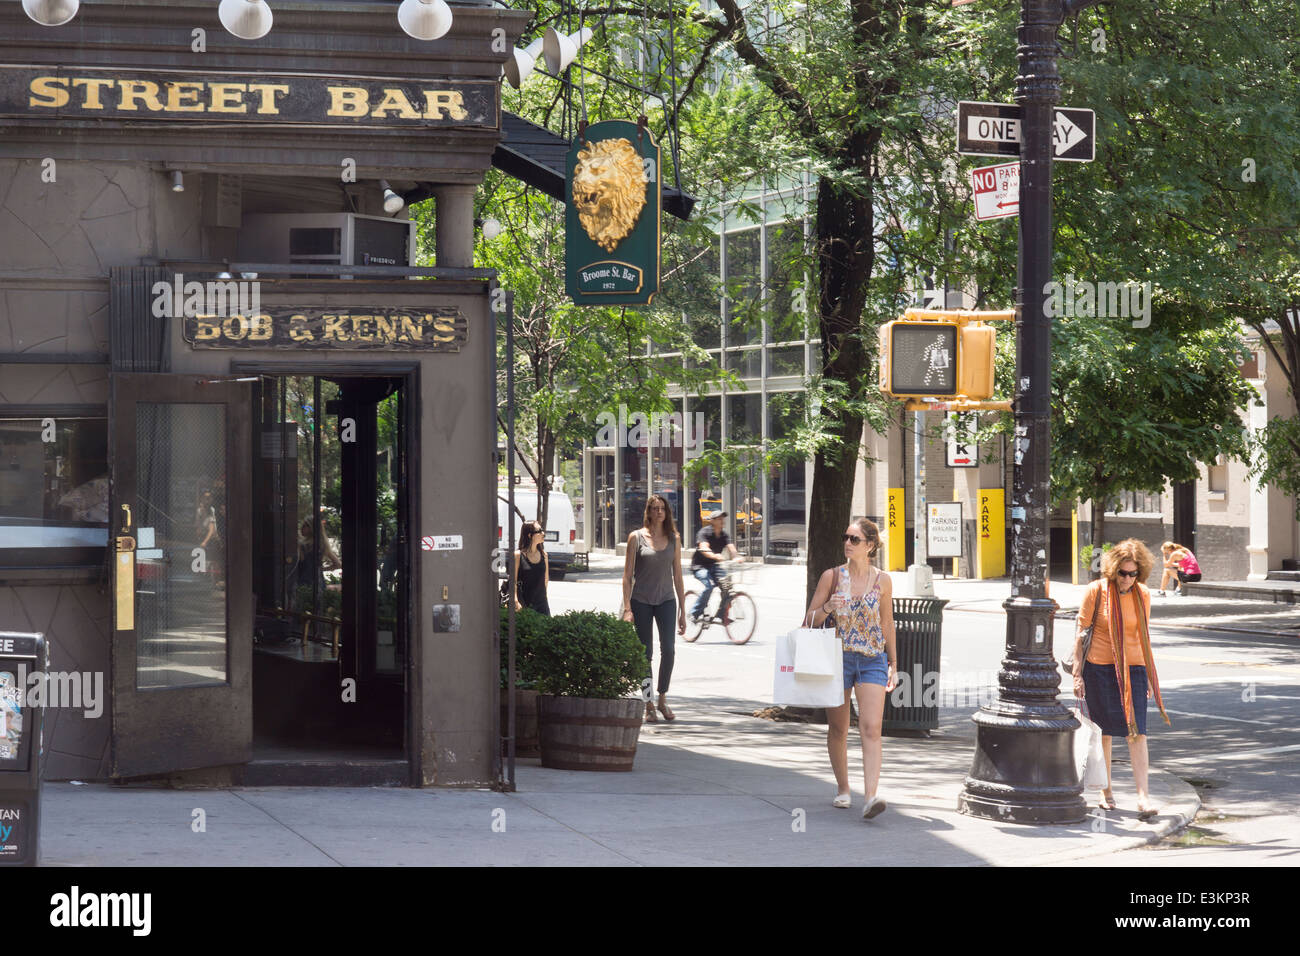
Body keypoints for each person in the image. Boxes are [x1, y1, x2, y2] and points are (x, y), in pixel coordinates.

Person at [1071, 538, 1171, 820]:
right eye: (1123, 573)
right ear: (1113, 570)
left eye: (1133, 573)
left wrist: (1150, 677)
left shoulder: (1143, 594)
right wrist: (1078, 675)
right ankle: (1106, 790)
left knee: (1137, 732)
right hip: (1099, 666)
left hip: (1135, 667)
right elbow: (1081, 635)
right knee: (1104, 731)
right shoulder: (1096, 591)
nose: (1128, 579)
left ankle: (1143, 796)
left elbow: (1143, 635)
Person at [805, 517, 897, 820]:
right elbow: (809, 621)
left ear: (869, 546)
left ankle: (871, 797)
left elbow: (887, 623)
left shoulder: (883, 580)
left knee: (871, 728)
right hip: (838, 658)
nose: (847, 543)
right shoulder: (831, 576)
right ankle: (844, 788)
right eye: (846, 537)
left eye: (854, 539)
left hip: (872, 659)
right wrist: (830, 606)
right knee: (839, 728)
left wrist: (893, 663)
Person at [621, 494, 686, 723]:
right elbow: (627, 576)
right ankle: (648, 703)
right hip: (641, 601)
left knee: (668, 650)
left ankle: (662, 698)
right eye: (654, 508)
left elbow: (677, 575)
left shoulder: (674, 538)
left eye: (662, 509)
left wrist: (683, 610)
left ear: (667, 513)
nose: (659, 512)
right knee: (645, 654)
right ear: (648, 512)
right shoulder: (636, 538)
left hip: (667, 599)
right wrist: (628, 607)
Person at [691, 509, 737, 622]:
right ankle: (695, 613)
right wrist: (714, 556)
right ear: (712, 521)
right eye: (719, 518)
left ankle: (721, 614)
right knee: (709, 586)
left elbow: (731, 547)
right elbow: (704, 547)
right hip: (699, 566)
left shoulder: (723, 534)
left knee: (728, 587)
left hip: (713, 566)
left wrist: (736, 556)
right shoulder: (704, 532)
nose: (722, 521)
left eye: (723, 518)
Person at [513, 520, 551, 615]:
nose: (543, 533)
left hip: (542, 605)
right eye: (539, 531)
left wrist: (543, 598)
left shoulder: (544, 555)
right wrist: (515, 601)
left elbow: (546, 580)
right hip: (524, 604)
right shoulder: (518, 555)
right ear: (530, 535)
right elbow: (512, 581)